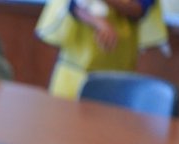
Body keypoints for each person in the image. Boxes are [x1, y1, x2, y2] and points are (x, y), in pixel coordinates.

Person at [36, 0, 168, 99]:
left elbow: (140, 8)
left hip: (117, 67)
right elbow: (73, 5)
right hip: (75, 69)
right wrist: (99, 23)